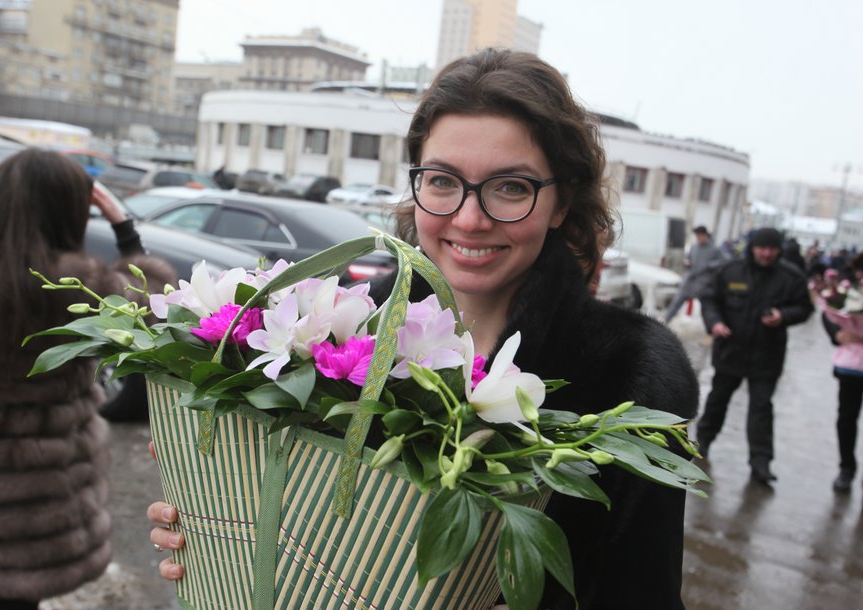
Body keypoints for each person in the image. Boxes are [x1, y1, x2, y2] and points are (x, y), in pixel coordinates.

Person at [147, 48, 699, 609]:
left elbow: (645, 593)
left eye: (511, 187)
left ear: (561, 202)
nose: (468, 218)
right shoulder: (338, 326)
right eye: (442, 181)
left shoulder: (628, 376)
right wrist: (211, 533)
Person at [0, 149, 177, 609]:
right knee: (18, 599)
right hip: (36, 494)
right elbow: (153, 305)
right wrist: (123, 227)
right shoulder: (74, 283)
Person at [695, 227, 813, 485]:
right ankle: (702, 443)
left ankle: (761, 462)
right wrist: (714, 322)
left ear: (779, 250)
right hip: (730, 350)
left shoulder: (790, 277)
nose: (767, 254)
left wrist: (783, 316)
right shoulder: (731, 271)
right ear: (752, 247)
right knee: (717, 400)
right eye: (762, 248)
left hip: (766, 355)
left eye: (772, 249)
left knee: (761, 409)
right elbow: (709, 299)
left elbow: (805, 307)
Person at [820, 252, 863, 493]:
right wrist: (837, 334)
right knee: (847, 418)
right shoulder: (850, 276)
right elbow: (828, 313)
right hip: (852, 367)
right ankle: (847, 468)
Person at [664, 225, 727, 323]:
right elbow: (688, 258)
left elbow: (724, 261)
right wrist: (687, 262)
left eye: (701, 236)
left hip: (703, 283)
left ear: (706, 236)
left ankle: (712, 325)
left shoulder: (714, 249)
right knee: (677, 301)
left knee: (707, 306)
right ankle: (665, 320)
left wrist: (709, 265)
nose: (699, 238)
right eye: (697, 236)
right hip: (689, 280)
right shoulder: (694, 247)